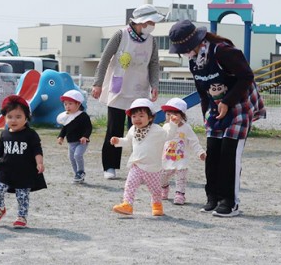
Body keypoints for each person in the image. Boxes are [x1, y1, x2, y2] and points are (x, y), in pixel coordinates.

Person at [168, 20, 265, 217]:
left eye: (184, 49)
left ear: (195, 41)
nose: (184, 53)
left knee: (229, 154)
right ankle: (213, 198)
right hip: (215, 108)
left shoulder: (223, 51)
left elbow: (246, 76)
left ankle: (230, 202)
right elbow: (202, 91)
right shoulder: (194, 60)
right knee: (212, 154)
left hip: (238, 104)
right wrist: (206, 116)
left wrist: (228, 101)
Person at [91, 4, 163, 180]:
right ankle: (110, 166)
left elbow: (154, 63)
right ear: (140, 22)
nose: (152, 24)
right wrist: (98, 83)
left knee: (140, 130)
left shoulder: (151, 40)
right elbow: (105, 58)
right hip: (119, 88)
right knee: (114, 129)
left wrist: (154, 84)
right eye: (150, 21)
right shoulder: (120, 35)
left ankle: (141, 167)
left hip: (140, 89)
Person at [0, 95, 46, 229]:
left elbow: (37, 150)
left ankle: (21, 217)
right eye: (10, 116)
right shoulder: (5, 133)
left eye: (18, 117)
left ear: (26, 118)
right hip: (6, 171)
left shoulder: (31, 134)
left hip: (24, 172)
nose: (14, 120)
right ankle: (0, 208)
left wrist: (39, 163)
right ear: (5, 118)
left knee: (22, 195)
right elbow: (0, 149)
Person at [111, 99, 171, 217]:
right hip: (137, 164)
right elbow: (128, 140)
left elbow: (169, 135)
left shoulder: (157, 130)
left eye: (141, 116)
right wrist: (118, 141)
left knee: (155, 190)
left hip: (153, 167)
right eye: (134, 116)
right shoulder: (133, 129)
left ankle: (157, 205)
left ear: (150, 117)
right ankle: (127, 205)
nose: (137, 119)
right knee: (130, 185)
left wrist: (172, 125)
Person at [160, 98, 206, 205]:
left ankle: (180, 194)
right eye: (167, 114)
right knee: (162, 176)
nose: (170, 117)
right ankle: (164, 188)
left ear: (182, 115)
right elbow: (160, 141)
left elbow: (194, 141)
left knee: (181, 178)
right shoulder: (165, 127)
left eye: (174, 114)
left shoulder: (186, 128)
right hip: (166, 159)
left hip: (181, 160)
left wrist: (200, 152)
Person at [56, 89, 92, 184]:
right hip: (71, 142)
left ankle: (81, 171)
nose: (67, 106)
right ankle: (77, 174)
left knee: (77, 155)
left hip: (81, 142)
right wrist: (61, 137)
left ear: (78, 104)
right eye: (65, 104)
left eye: (70, 104)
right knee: (71, 158)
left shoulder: (83, 116)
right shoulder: (67, 116)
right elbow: (64, 128)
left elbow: (89, 127)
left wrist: (85, 136)